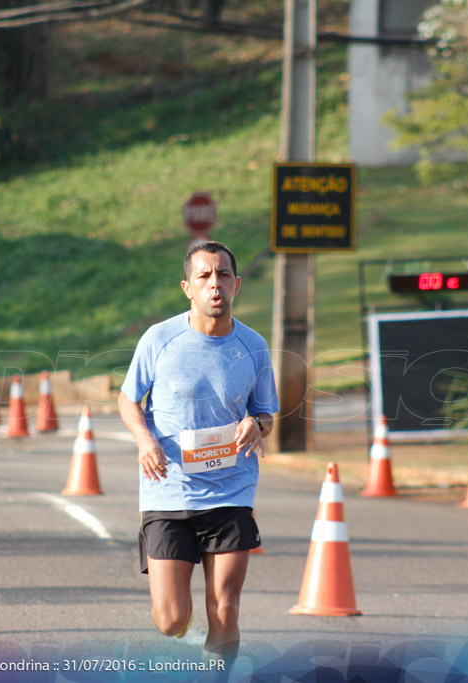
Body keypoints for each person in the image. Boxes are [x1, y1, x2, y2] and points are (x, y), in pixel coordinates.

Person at [118, 241, 278, 665]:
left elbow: (266, 415)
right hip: (168, 491)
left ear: (237, 285)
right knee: (171, 620)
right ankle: (177, 617)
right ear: (187, 287)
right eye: (205, 276)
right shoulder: (160, 339)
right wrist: (144, 440)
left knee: (225, 608)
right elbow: (127, 399)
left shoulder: (254, 345)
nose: (215, 284)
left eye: (223, 275)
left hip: (231, 493)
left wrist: (256, 424)